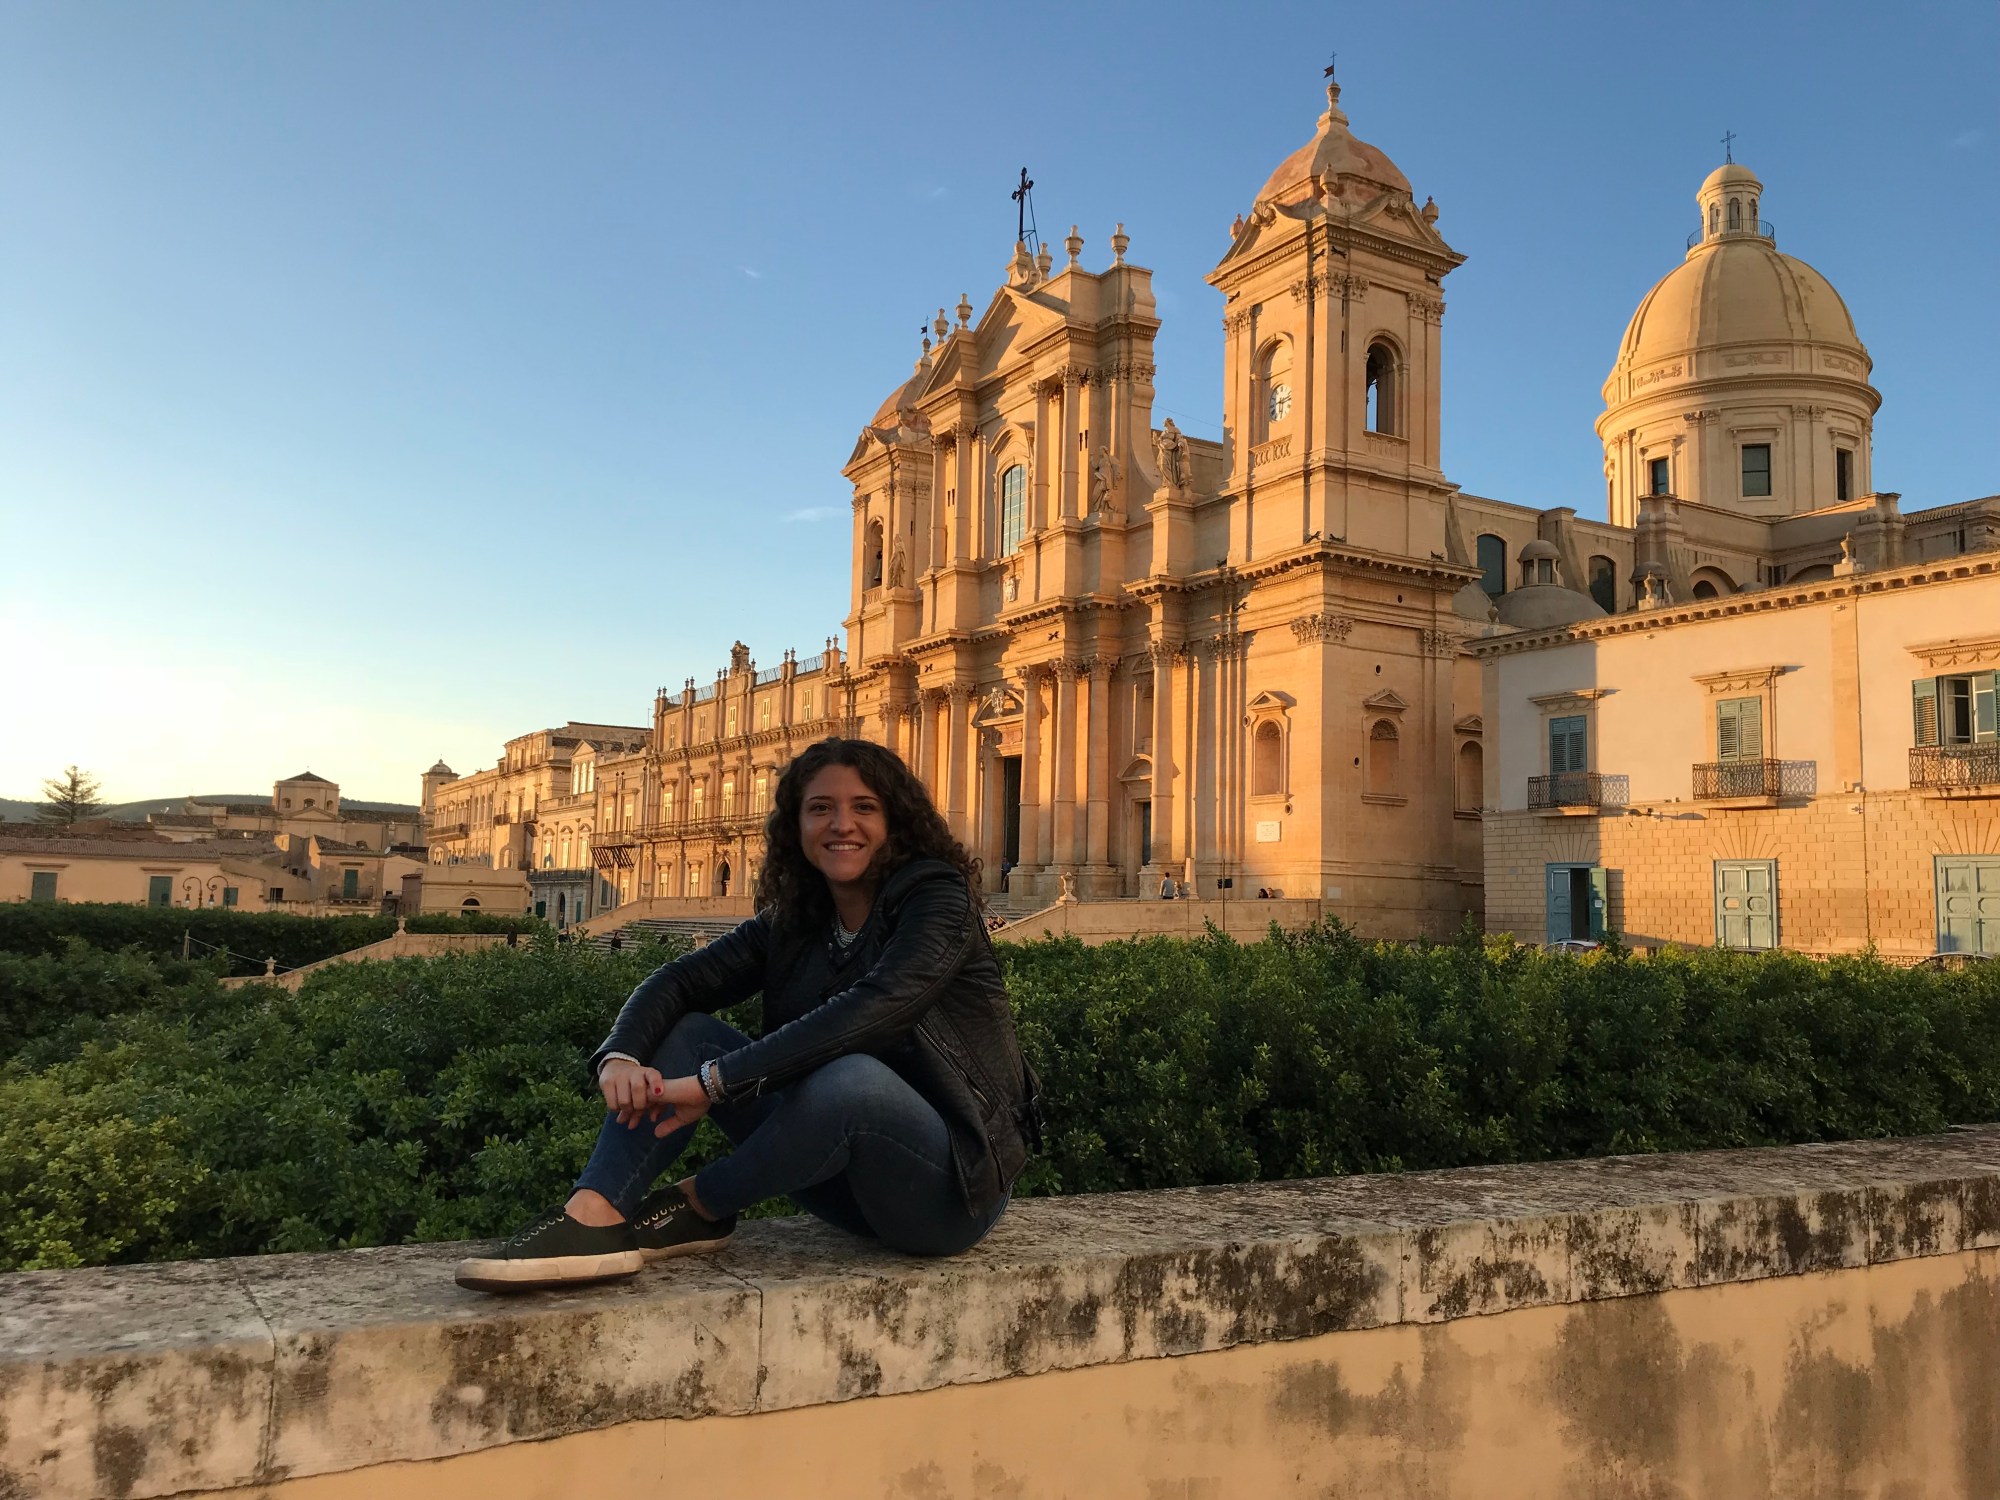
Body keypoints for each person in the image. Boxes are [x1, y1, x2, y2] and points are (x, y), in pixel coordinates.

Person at [456, 737, 1040, 1293]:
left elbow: (877, 1007)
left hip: (949, 1194)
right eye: (820, 809)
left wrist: (716, 1084)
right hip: (841, 1191)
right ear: (796, 826)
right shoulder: (799, 918)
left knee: (851, 1077)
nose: (842, 824)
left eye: (865, 806)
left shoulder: (937, 898)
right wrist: (620, 1054)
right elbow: (680, 980)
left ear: (897, 821)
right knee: (687, 1033)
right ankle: (595, 1213)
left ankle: (701, 1205)